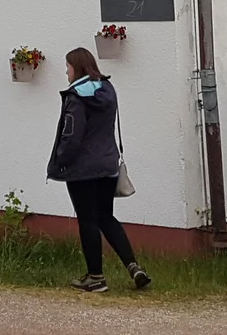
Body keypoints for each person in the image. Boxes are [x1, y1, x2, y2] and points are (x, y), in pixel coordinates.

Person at [47, 46, 149, 292]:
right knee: (106, 217)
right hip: (107, 165)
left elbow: (72, 134)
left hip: (82, 169)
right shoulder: (107, 89)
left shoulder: (76, 97)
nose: (66, 72)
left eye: (68, 67)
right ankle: (133, 266)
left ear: (77, 67)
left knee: (88, 220)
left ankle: (95, 277)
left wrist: (61, 160)